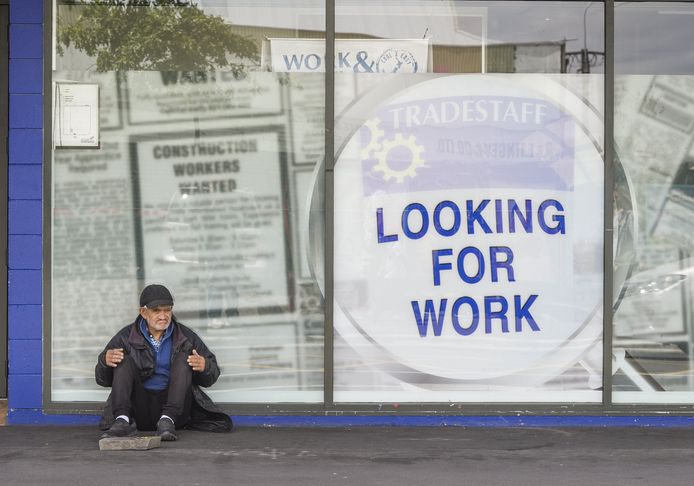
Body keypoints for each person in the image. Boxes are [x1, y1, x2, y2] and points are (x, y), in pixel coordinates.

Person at [96, 284, 232, 440]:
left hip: (174, 413)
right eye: (156, 311)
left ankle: (166, 421)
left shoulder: (185, 336)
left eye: (167, 310)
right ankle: (121, 422)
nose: (163, 315)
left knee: (183, 358)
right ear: (143, 312)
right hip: (137, 410)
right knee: (121, 359)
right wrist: (104, 361)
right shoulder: (125, 337)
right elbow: (102, 379)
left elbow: (212, 376)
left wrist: (205, 366)